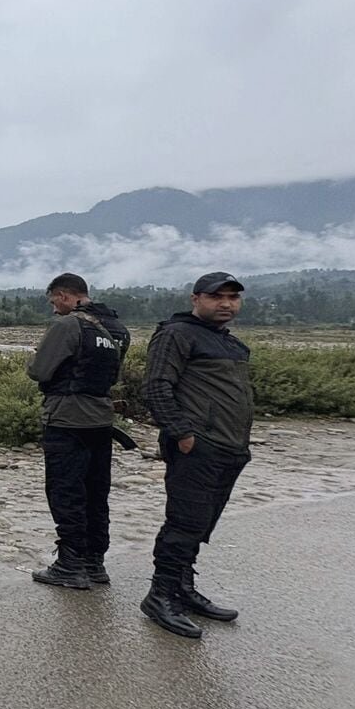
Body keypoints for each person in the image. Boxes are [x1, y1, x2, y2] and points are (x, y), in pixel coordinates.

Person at [139, 272, 252, 638]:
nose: (226, 304)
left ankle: (182, 589)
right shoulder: (176, 334)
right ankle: (160, 596)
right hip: (197, 448)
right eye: (217, 297)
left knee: (202, 523)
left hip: (229, 449)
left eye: (233, 297)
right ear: (196, 299)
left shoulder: (228, 342)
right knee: (184, 523)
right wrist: (182, 434)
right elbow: (155, 387)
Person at [26, 273, 131, 589]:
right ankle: (94, 562)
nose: (54, 308)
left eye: (54, 301)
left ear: (63, 295)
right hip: (102, 421)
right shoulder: (118, 329)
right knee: (96, 492)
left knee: (66, 491)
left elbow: (39, 370)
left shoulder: (68, 325)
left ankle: (70, 565)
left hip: (66, 419)